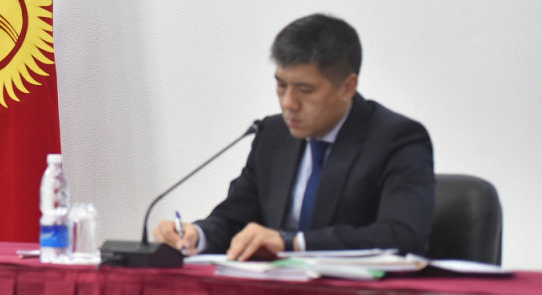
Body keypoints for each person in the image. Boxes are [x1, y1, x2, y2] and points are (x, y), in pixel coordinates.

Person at [155, 14, 435, 260]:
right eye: (281, 85)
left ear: (348, 87)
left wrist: (292, 244)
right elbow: (236, 220)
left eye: (305, 89)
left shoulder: (397, 139)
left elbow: (402, 235)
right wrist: (197, 234)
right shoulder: (273, 135)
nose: (289, 103)